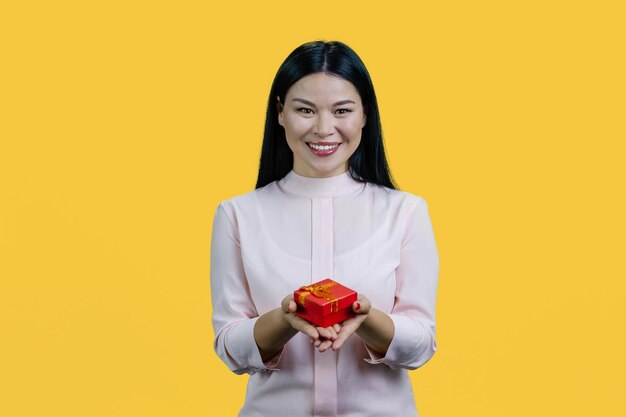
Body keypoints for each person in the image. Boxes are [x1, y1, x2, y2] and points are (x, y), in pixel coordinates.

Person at [210, 40, 439, 417]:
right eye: (305, 110)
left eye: (342, 110)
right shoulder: (238, 214)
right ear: (280, 112)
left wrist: (368, 319)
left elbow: (421, 345)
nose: (324, 128)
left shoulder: (405, 211)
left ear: (365, 115)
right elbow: (230, 348)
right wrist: (283, 319)